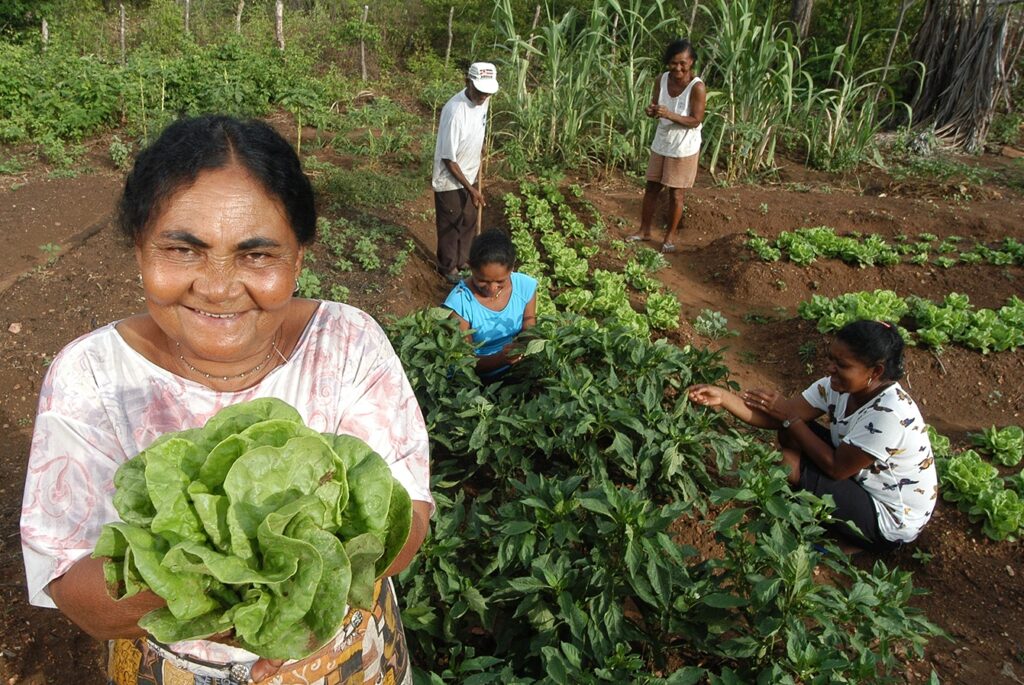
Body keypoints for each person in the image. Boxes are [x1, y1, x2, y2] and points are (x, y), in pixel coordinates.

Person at [20, 115, 433, 685]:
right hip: (172, 666)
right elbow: (73, 585)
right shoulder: (91, 378)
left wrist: (295, 602)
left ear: (298, 258)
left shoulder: (346, 343)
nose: (217, 286)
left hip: (346, 656)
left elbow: (404, 515)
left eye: (256, 255)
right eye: (183, 249)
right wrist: (238, 605)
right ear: (140, 248)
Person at [688, 320, 938, 553]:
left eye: (843, 365)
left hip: (889, 518)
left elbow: (837, 468)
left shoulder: (889, 414)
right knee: (789, 433)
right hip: (859, 475)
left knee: (790, 462)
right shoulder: (836, 386)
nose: (831, 369)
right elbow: (781, 416)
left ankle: (854, 538)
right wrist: (723, 397)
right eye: (832, 360)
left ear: (875, 371)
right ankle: (819, 508)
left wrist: (791, 419)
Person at [630, 38, 706, 254]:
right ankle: (644, 230)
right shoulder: (661, 80)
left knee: (676, 194)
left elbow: (696, 120)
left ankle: (669, 237)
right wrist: (652, 111)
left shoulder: (697, 87)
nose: (678, 68)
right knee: (651, 187)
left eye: (683, 63)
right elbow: (656, 106)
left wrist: (670, 115)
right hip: (662, 141)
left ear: (691, 62)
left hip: (683, 147)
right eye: (673, 63)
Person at [432, 61, 499, 284]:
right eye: (479, 92)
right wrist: (471, 189)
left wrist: (480, 145)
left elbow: (479, 122)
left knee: (468, 219)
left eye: (487, 93)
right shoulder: (455, 111)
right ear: (467, 82)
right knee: (451, 223)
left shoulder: (484, 98)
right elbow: (448, 159)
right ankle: (448, 267)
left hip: (470, 171)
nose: (483, 97)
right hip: (450, 178)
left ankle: (464, 262)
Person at [443, 229, 538, 377]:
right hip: (474, 377)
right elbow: (464, 360)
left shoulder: (524, 287)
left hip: (513, 367)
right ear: (470, 267)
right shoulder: (460, 303)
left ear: (512, 268)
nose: (492, 288)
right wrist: (501, 359)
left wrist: (527, 345)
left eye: (500, 281)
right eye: (483, 281)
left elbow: (529, 323)